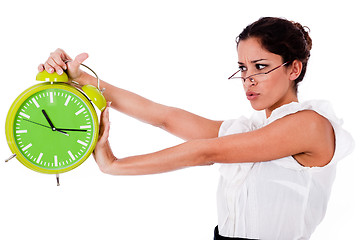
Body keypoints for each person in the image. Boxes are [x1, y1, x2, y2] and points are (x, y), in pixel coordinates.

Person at [38, 17, 354, 240]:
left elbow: (205, 152)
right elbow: (164, 117)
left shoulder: (309, 124)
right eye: (243, 68)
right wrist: (82, 79)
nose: (248, 79)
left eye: (260, 67)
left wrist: (113, 164)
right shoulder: (247, 130)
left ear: (294, 68)